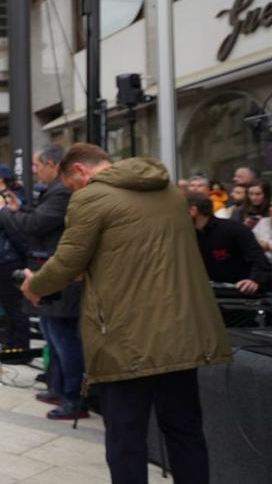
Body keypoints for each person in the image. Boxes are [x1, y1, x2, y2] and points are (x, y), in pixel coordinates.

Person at [22, 144, 230, 484]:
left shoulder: (92, 197)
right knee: (185, 431)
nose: (76, 192)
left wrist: (36, 286)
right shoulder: (170, 192)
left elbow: (68, 261)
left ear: (79, 171)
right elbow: (137, 254)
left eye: (73, 185)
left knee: (125, 437)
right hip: (181, 331)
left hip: (125, 333)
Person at [0, 146, 83, 419]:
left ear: (51, 165)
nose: (35, 171)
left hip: (58, 274)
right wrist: (18, 210)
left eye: (37, 165)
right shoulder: (53, 191)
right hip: (45, 271)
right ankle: (58, 386)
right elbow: (32, 219)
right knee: (52, 335)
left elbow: (34, 225)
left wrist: (3, 211)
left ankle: (72, 396)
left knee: (64, 338)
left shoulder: (62, 192)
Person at [186, 194, 269, 327]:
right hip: (211, 298)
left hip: (242, 299)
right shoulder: (189, 235)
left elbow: (259, 260)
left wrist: (254, 280)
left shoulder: (233, 229)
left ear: (193, 211)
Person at [0, 163, 30, 356]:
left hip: (10, 258)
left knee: (15, 305)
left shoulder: (12, 199)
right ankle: (10, 340)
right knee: (7, 303)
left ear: (0, 178)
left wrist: (0, 210)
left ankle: (19, 346)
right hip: (0, 257)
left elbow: (15, 228)